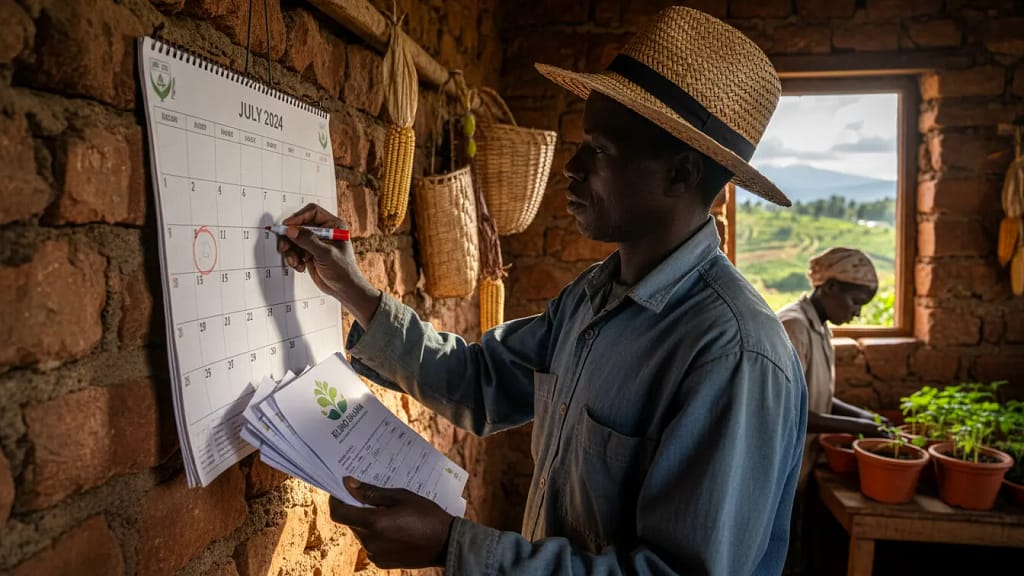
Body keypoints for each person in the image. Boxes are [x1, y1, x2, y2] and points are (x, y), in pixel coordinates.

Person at [277, 7, 807, 575]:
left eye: (598, 151)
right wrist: (353, 290)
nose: (571, 168)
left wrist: (453, 547)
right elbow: (482, 383)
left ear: (679, 174)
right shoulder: (592, 298)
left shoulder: (733, 354)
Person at [776, 246, 889, 576]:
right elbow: (789, 412)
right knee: (776, 554)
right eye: (855, 302)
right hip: (782, 466)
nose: (856, 314)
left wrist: (862, 416)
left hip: (802, 465)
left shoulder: (821, 326)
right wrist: (863, 430)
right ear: (830, 287)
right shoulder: (793, 327)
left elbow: (816, 397)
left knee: (795, 547)